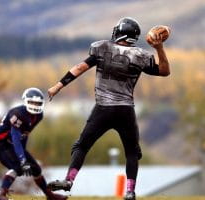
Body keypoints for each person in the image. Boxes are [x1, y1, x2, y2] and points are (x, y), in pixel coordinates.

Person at [47, 17, 170, 200]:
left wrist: (58, 85)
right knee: (132, 152)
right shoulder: (140, 55)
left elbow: (80, 67)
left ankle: (69, 180)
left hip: (103, 109)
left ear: (121, 32)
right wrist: (159, 48)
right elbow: (164, 71)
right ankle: (129, 192)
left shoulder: (102, 47)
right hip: (125, 110)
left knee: (81, 146)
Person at [0, 88, 68, 200]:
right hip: (0, 144)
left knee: (36, 169)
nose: (35, 105)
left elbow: (24, 135)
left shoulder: (38, 115)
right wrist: (23, 160)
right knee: (18, 168)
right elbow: (16, 139)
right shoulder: (18, 114)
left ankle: (50, 196)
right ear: (26, 101)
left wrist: (24, 154)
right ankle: (0, 194)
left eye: (38, 103)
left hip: (12, 145)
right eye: (32, 102)